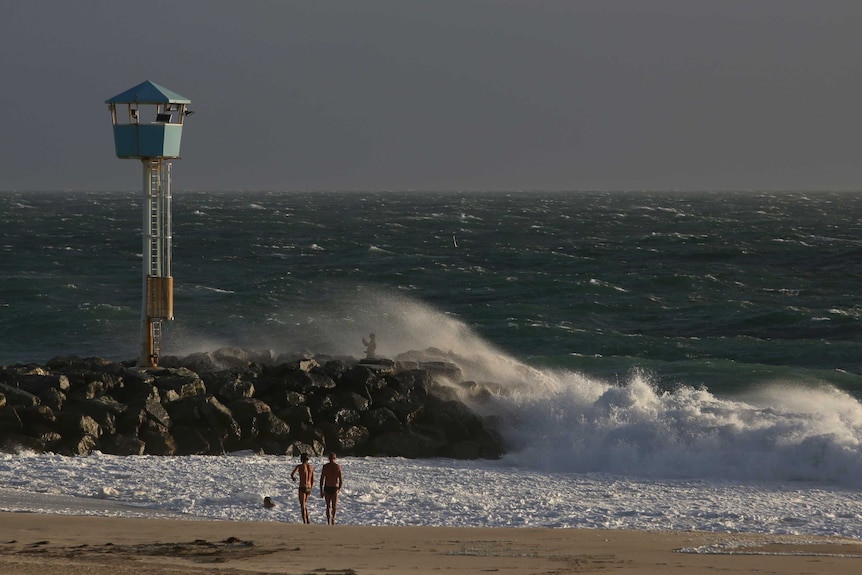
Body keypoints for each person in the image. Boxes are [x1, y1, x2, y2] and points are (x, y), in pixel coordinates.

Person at [319, 452, 343, 525]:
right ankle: (333, 519)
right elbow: (341, 480)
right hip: (334, 487)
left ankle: (328, 521)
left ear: (328, 458)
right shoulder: (338, 467)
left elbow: (322, 479)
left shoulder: (325, 467)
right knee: (334, 506)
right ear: (335, 458)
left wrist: (321, 490)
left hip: (327, 487)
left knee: (328, 506)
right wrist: (339, 489)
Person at [290, 453, 314, 523]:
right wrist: (310, 488)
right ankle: (308, 520)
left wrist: (293, 478)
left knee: (302, 505)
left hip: (302, 487)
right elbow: (312, 479)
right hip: (309, 487)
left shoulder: (300, 466)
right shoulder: (311, 467)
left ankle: (304, 522)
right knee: (305, 504)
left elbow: (292, 474)